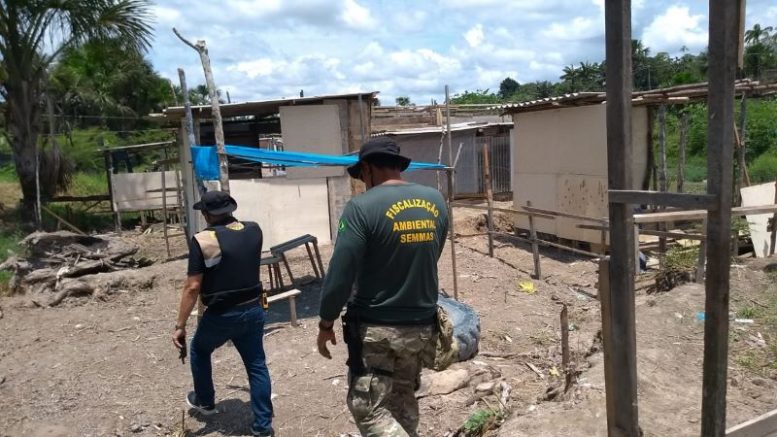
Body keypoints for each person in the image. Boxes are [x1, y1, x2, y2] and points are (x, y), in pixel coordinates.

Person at [317, 137, 449, 437]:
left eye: (362, 175)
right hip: (421, 326)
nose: (363, 181)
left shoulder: (361, 208)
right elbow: (432, 254)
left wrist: (326, 321)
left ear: (368, 168)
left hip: (378, 328)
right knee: (402, 397)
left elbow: (341, 274)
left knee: (367, 408)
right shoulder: (436, 201)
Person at [172, 190, 274, 437]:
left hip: (223, 314)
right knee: (257, 365)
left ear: (207, 214)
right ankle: (263, 427)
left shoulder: (204, 240)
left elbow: (193, 286)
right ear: (230, 209)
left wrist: (180, 324)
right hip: (254, 307)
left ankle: (205, 401)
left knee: (199, 348)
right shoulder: (254, 229)